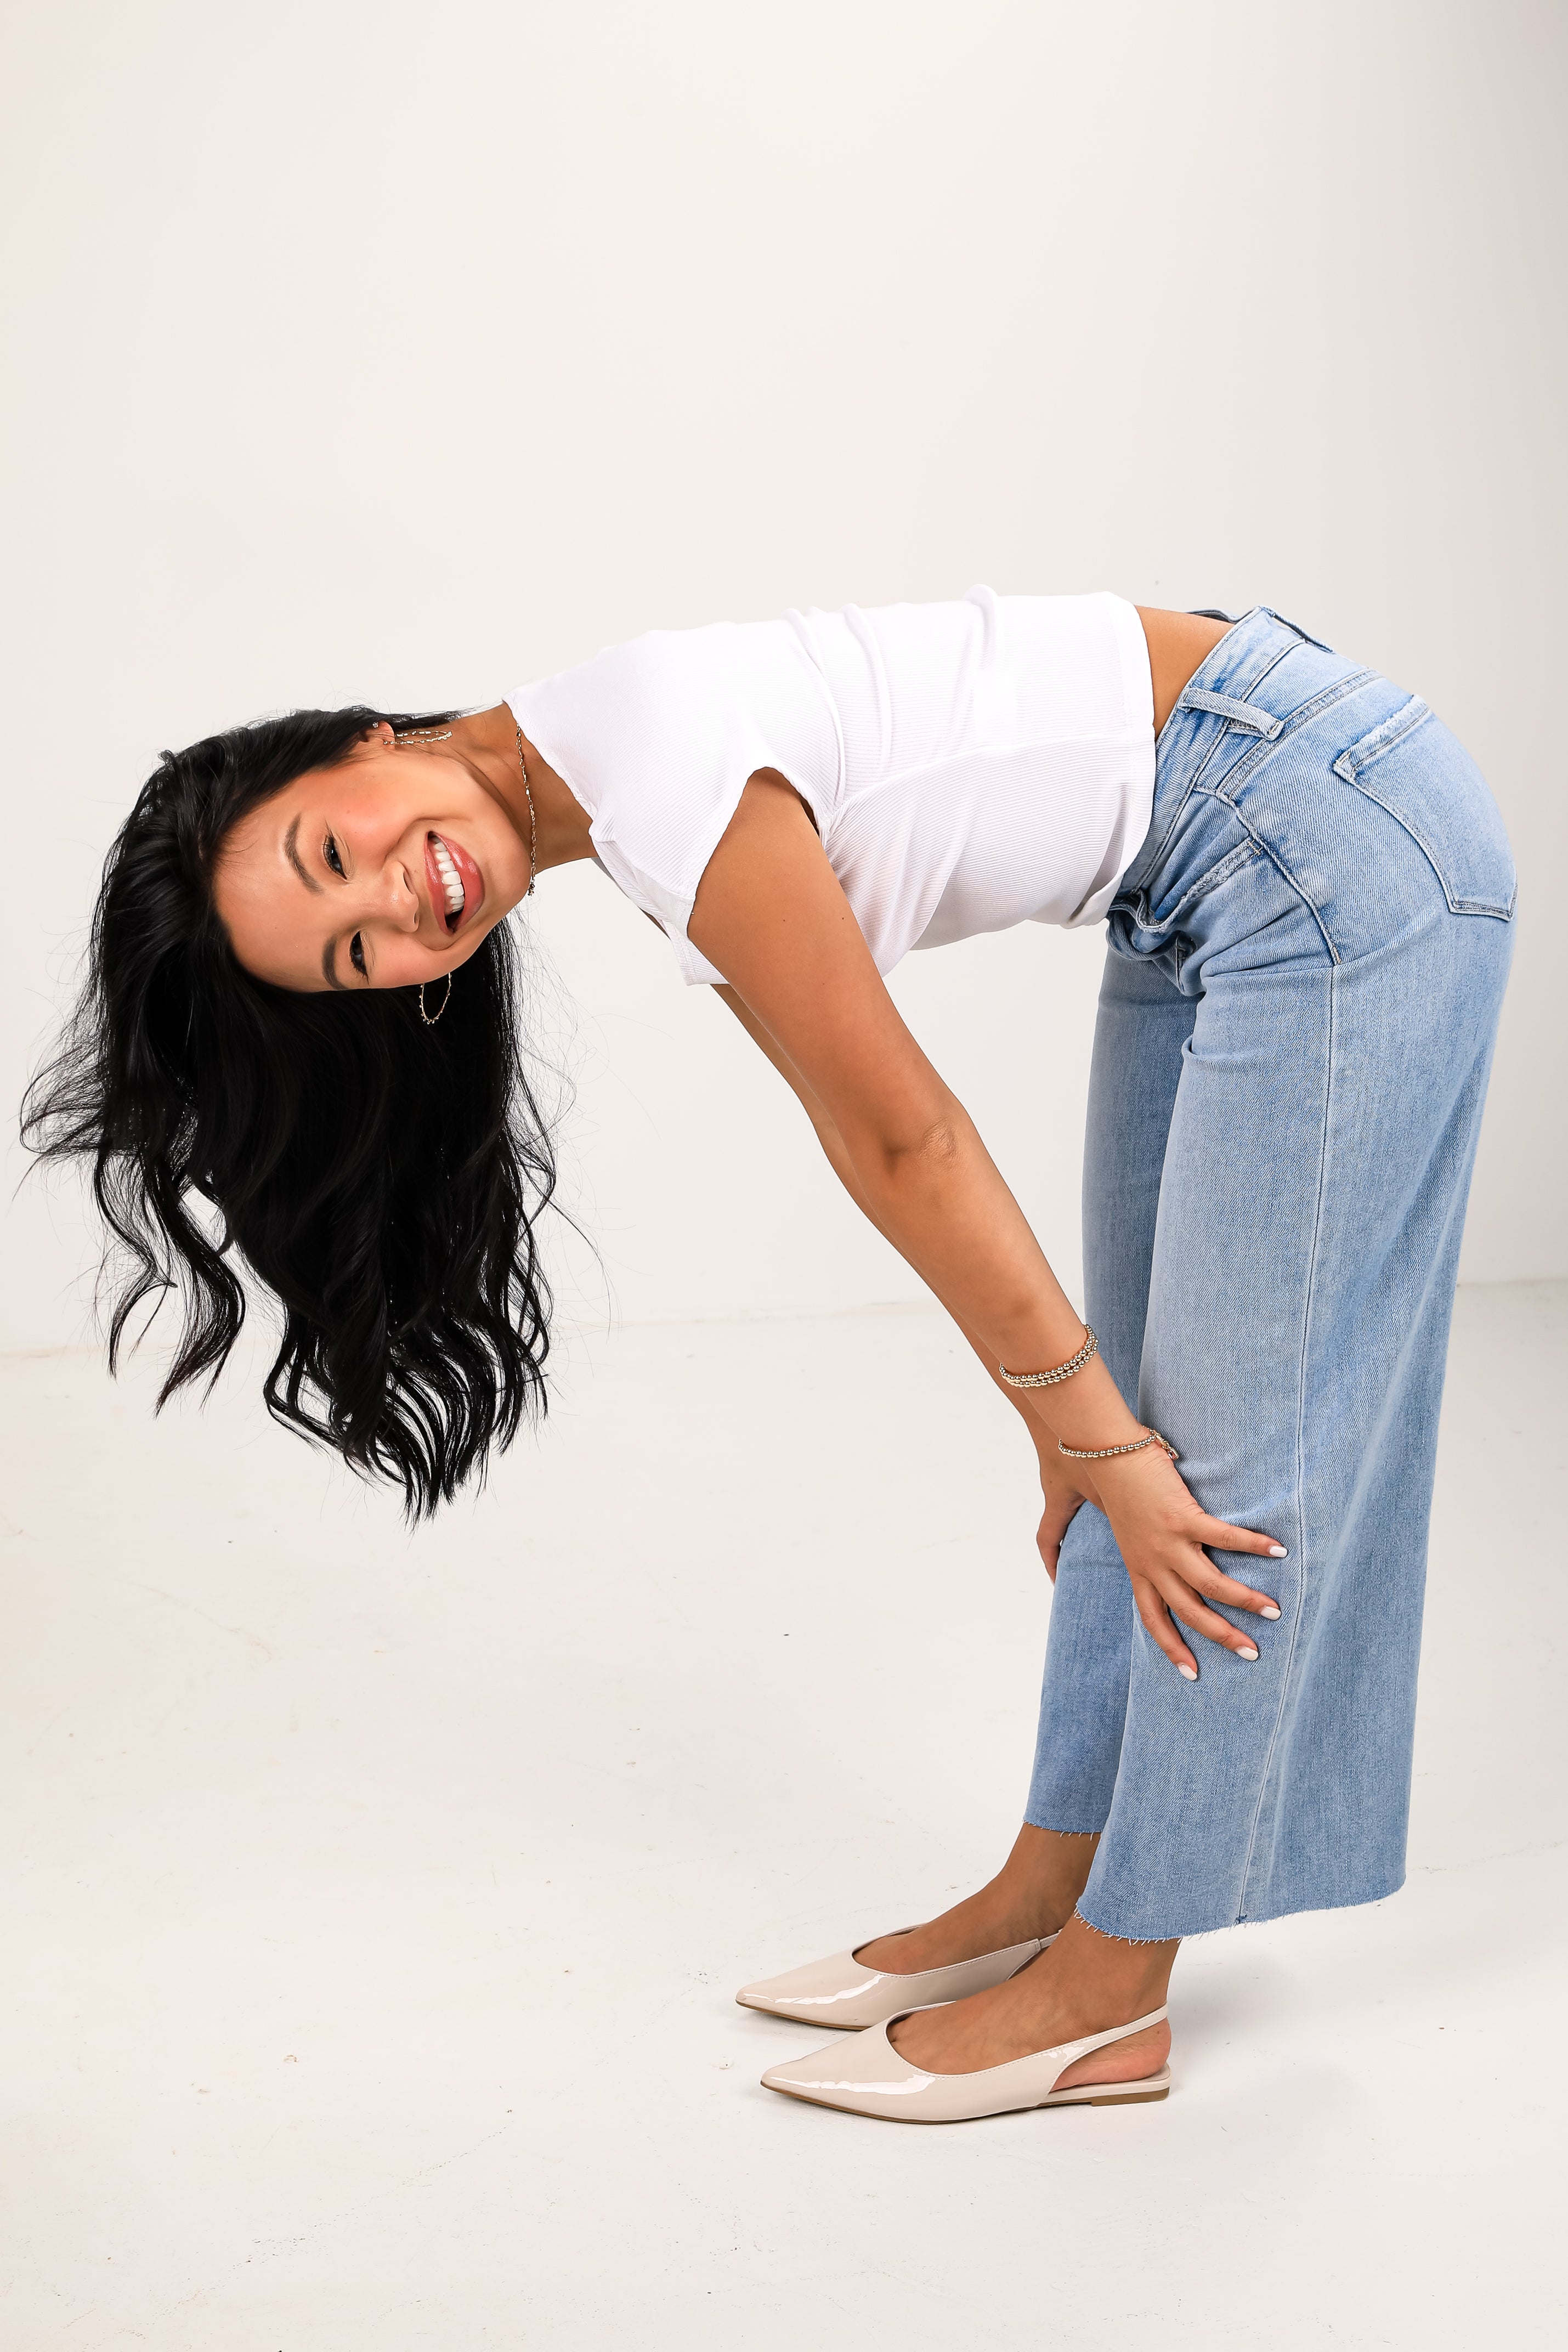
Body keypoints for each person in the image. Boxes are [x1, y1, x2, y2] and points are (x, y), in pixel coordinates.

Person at [24, 593, 1515, 2123]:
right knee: (1134, 1440)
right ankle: (1052, 1884)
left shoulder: (653, 768)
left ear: (352, 743)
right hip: (1215, 853)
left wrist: (1089, 1438)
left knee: (1207, 1479)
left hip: (1322, 830)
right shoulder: (612, 785)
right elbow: (853, 1129)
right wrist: (1067, 1430)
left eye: (335, 854)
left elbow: (903, 1135)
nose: (402, 907)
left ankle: (1112, 1988)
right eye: (355, 953)